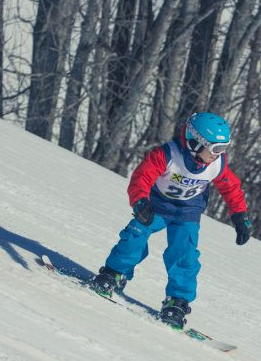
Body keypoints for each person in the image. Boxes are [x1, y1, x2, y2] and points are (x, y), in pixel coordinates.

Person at [91, 112, 251, 328]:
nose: (218, 155)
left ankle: (178, 301)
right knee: (134, 235)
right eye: (215, 149)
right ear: (196, 143)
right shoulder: (167, 155)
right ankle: (114, 273)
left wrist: (239, 215)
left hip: (187, 212)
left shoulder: (216, 164)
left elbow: (231, 187)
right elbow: (142, 177)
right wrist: (139, 201)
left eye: (223, 149)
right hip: (157, 206)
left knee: (184, 254)